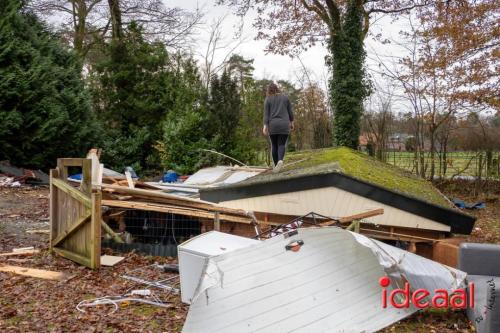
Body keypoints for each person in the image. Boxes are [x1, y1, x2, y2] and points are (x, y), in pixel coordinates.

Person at [263, 82, 294, 172]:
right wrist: (292, 122)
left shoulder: (268, 99)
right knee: (281, 144)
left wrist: (265, 125)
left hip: (273, 125)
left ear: (269, 90)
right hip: (284, 124)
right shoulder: (285, 98)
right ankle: (280, 160)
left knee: (274, 145)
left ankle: (276, 165)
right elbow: (290, 112)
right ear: (277, 88)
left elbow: (266, 115)